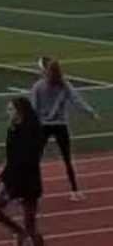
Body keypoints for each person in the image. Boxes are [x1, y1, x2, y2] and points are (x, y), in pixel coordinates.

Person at [31, 58, 100, 201]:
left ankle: (32, 191)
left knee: (35, 159)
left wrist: (31, 125)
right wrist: (91, 113)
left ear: (45, 71)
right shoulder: (65, 85)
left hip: (43, 126)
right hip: (60, 125)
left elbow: (34, 108)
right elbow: (77, 101)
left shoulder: (38, 86)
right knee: (67, 159)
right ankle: (75, 191)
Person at [0, 97, 45, 246]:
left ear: (20, 111)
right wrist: (2, 175)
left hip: (27, 180)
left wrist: (9, 183)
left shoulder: (31, 129)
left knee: (30, 224)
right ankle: (20, 232)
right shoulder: (13, 127)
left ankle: (26, 236)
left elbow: (26, 158)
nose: (8, 112)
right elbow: (11, 155)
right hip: (12, 178)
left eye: (11, 109)